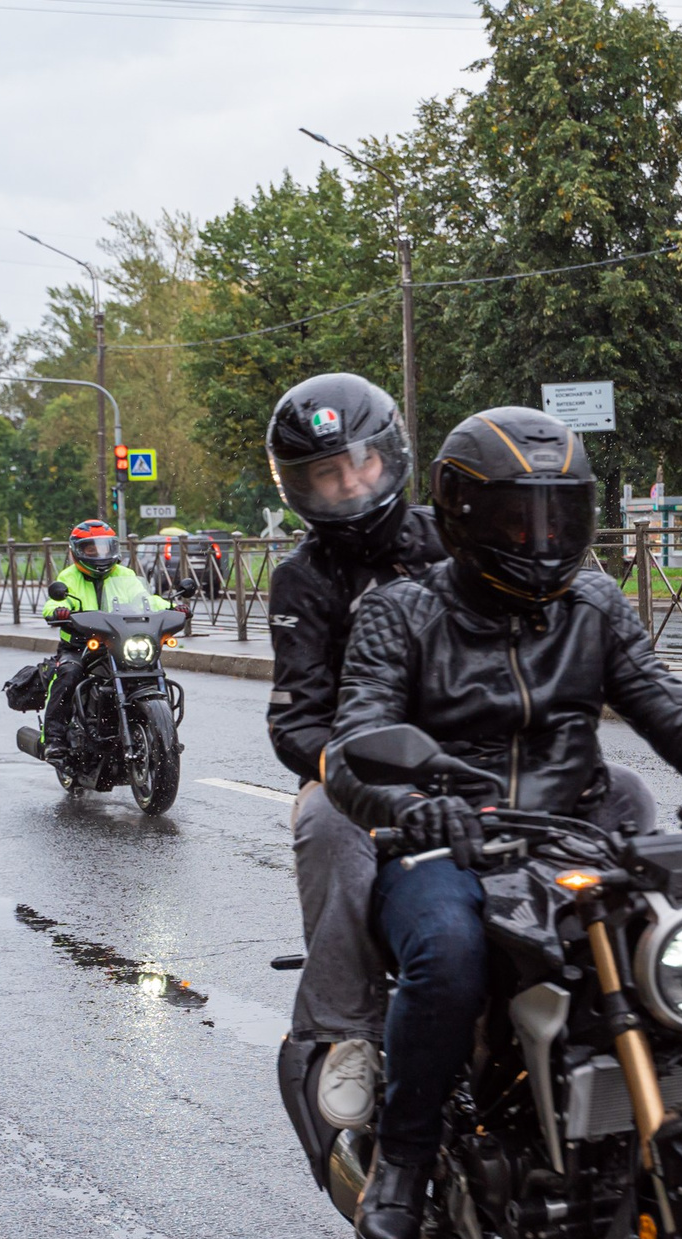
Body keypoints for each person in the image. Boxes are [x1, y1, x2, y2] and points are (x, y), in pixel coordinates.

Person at [325, 406, 682, 1239]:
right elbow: (353, 744)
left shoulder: (593, 602)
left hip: (575, 831)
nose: (544, 538)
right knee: (447, 954)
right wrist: (411, 803)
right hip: (448, 839)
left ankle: (677, 1131)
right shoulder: (400, 612)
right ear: (463, 515)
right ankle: (403, 1162)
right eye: (520, 518)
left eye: (562, 516)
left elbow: (667, 706)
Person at [262, 375, 447, 1140]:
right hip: (362, 772)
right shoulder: (301, 579)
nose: (351, 483)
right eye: (327, 473)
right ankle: (347, 1032)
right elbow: (295, 719)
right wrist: (353, 772)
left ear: (389, 454)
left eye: (361, 462)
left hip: (474, 753)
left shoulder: (450, 537)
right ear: (300, 486)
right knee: (324, 825)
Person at [37, 519, 169, 766]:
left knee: (149, 668)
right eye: (91, 549)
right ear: (77, 551)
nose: (99, 554)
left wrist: (171, 606)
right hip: (81, 645)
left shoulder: (125, 575)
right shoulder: (69, 577)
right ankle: (53, 738)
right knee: (68, 674)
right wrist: (58, 611)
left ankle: (160, 731)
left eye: (105, 548)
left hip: (118, 642)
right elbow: (54, 602)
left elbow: (146, 599)